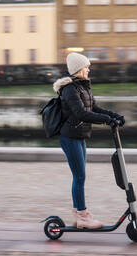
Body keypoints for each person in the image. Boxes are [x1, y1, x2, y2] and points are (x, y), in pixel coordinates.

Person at [52, 52, 125, 229]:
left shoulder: (83, 87)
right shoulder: (70, 89)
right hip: (70, 137)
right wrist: (106, 121)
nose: (89, 69)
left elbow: (94, 108)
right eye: (86, 67)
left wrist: (114, 116)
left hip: (79, 135)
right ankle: (83, 217)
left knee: (80, 176)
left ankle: (79, 216)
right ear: (79, 69)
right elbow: (81, 113)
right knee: (79, 176)